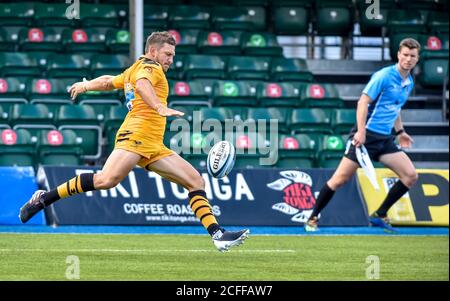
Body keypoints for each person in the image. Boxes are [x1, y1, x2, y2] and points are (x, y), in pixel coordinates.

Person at [19, 31, 249, 252]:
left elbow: (110, 82)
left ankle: (217, 235)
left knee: (195, 181)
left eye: (173, 55)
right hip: (136, 135)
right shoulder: (150, 68)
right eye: (167, 54)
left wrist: (86, 85)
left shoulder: (135, 68)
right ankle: (43, 199)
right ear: (153, 51)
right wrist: (158, 106)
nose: (171, 59)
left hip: (154, 144)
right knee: (105, 180)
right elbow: (142, 85)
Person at [305, 38, 421, 233]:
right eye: (405, 55)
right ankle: (312, 217)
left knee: (410, 176)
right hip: (366, 137)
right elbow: (362, 103)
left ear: (417, 59)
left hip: (385, 140)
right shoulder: (383, 76)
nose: (408, 59)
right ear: (398, 55)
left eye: (412, 56)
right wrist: (361, 131)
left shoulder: (408, 81)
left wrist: (400, 132)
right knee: (339, 179)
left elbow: (395, 108)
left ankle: (380, 214)